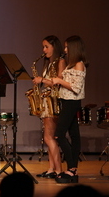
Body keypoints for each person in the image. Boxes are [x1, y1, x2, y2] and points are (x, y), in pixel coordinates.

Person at [52, 35, 87, 183]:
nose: (65, 49)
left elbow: (76, 87)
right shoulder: (70, 64)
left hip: (73, 102)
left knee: (59, 134)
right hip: (66, 101)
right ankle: (72, 170)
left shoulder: (79, 64)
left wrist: (59, 80)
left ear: (73, 48)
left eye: (67, 47)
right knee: (74, 134)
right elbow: (62, 77)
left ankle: (71, 168)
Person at [32, 35, 66, 178]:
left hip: (53, 102)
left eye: (46, 47)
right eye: (43, 47)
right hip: (46, 101)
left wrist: (42, 80)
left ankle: (58, 170)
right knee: (49, 137)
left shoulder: (60, 61)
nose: (44, 50)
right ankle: (51, 168)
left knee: (49, 138)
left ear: (54, 47)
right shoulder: (49, 63)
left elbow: (59, 81)